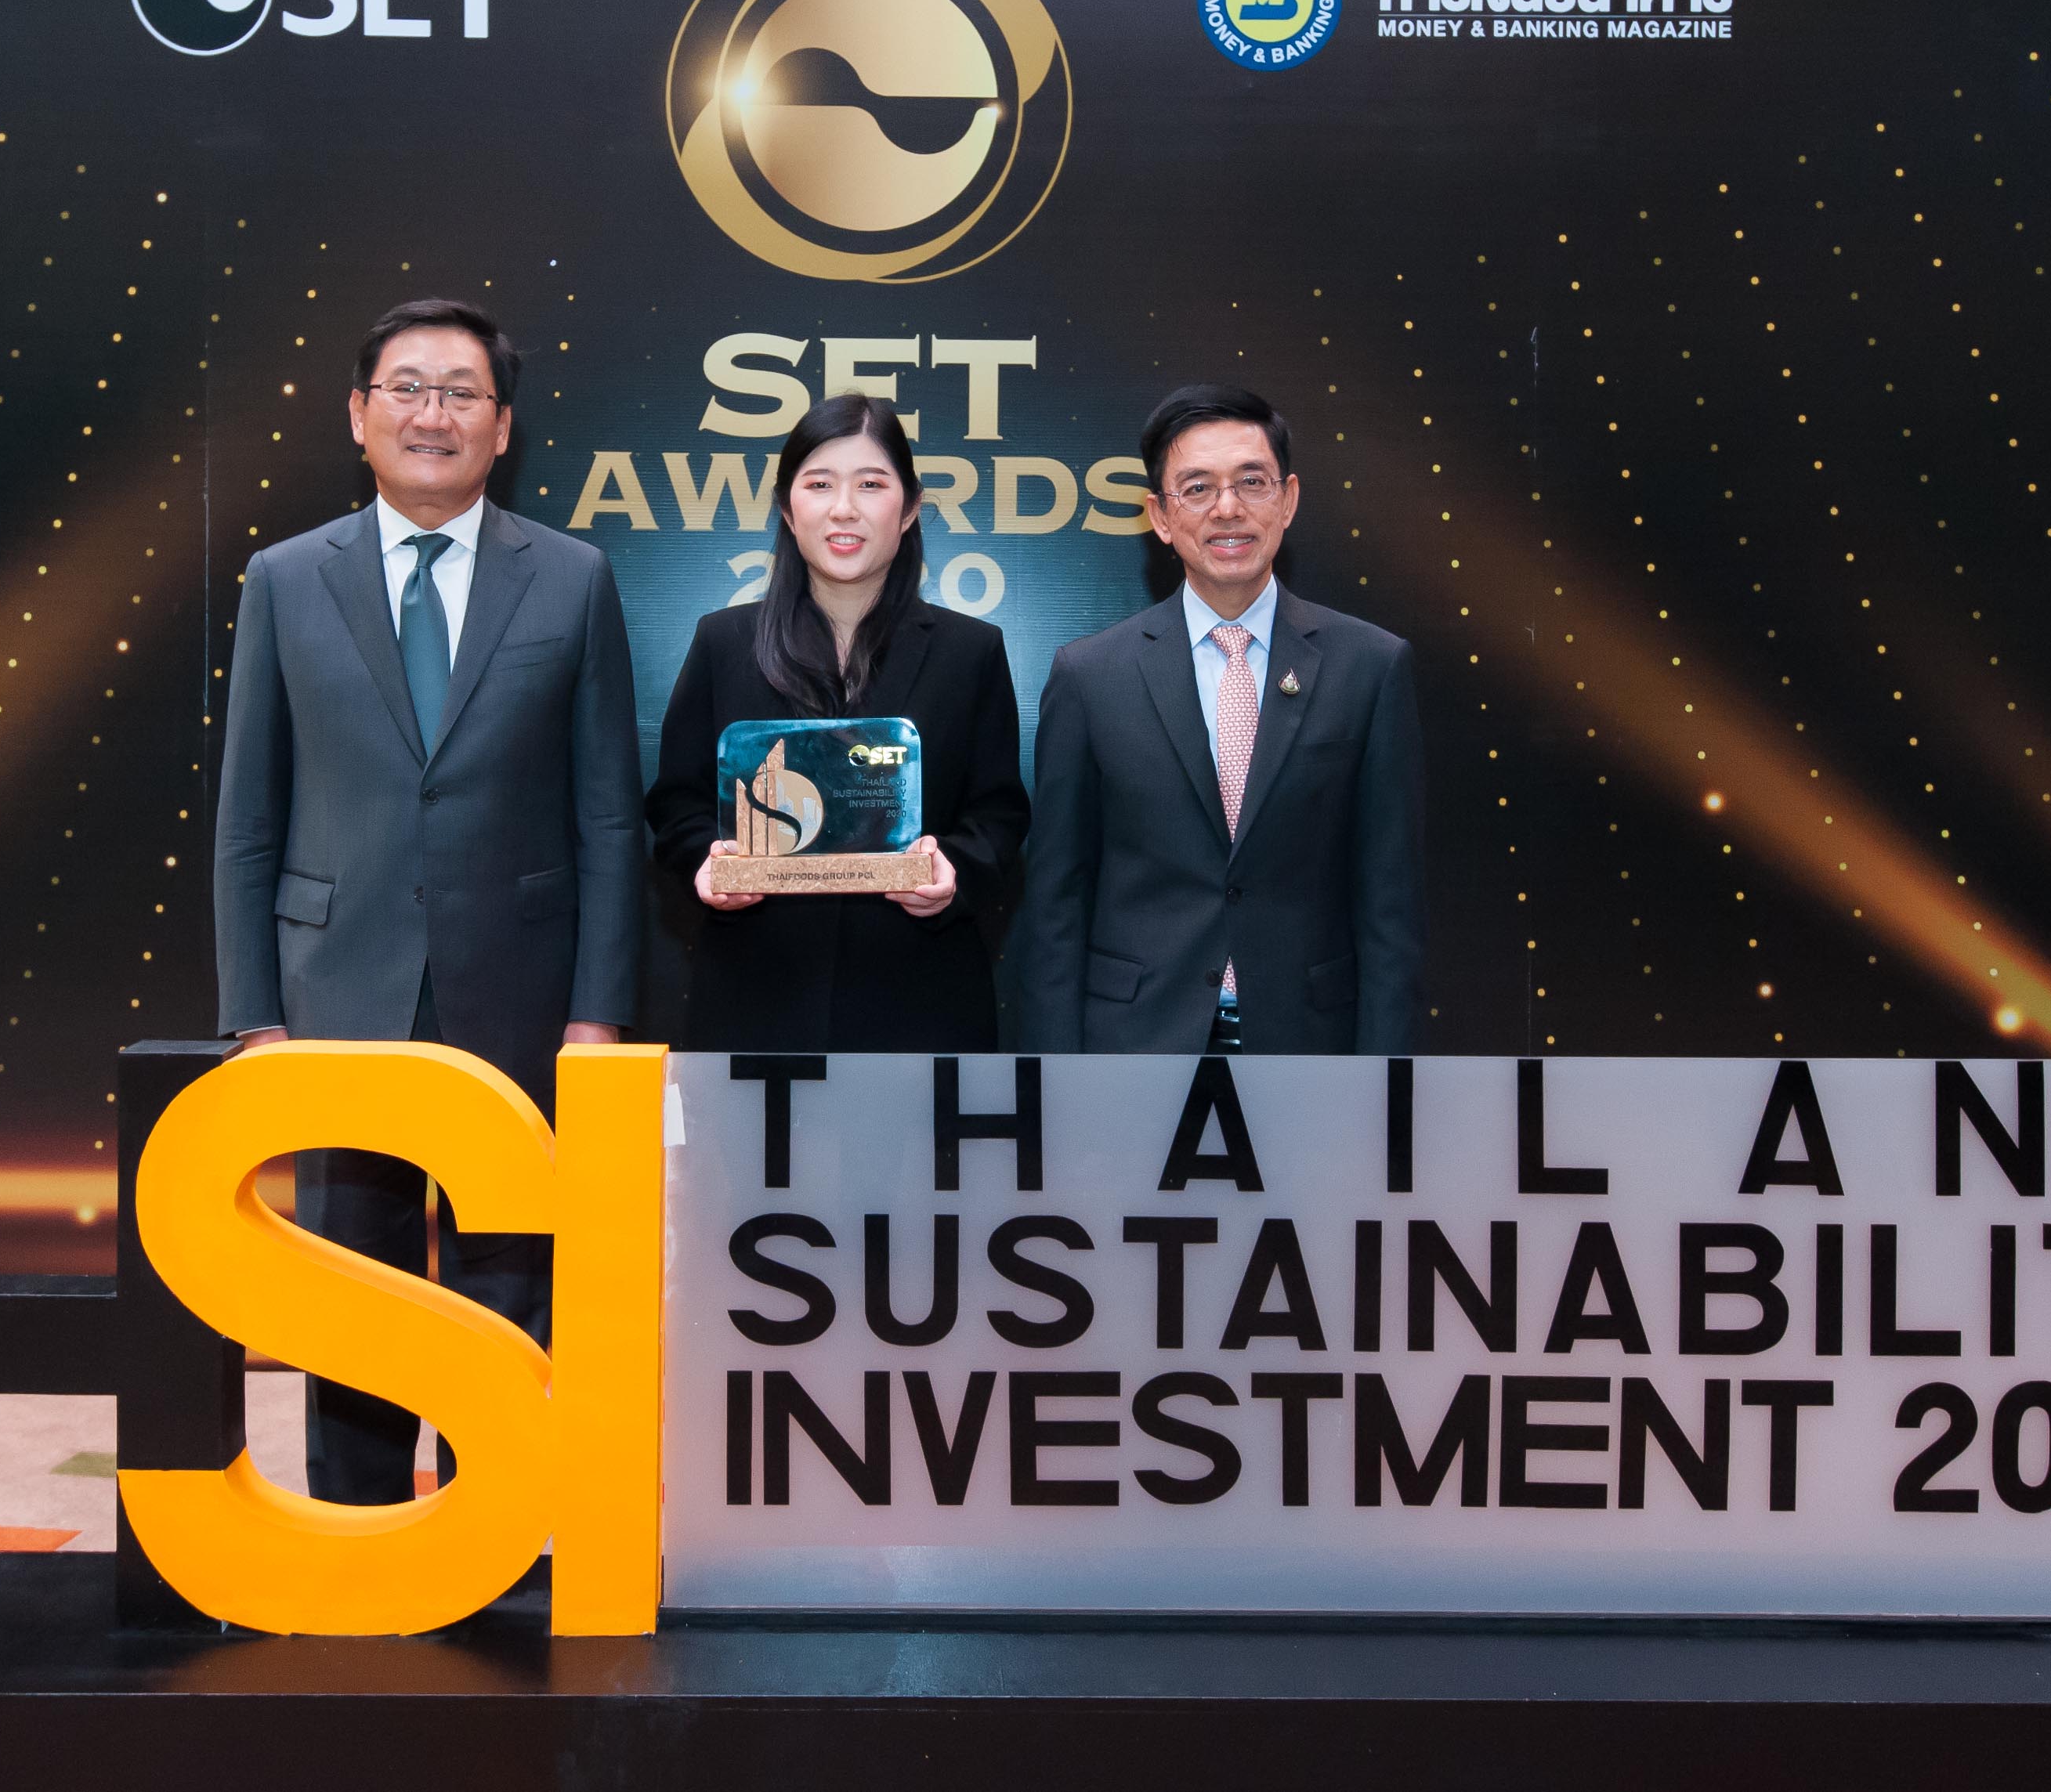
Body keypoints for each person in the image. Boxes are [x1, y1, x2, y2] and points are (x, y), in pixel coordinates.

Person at [214, 296, 647, 1507]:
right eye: (406, 388)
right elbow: (248, 816)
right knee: (351, 1289)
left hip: (519, 994)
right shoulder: (285, 578)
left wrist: (597, 1014)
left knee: (507, 1294)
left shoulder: (570, 578)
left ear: (502, 427)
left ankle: (493, 1527)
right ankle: (357, 1539)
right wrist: (254, 1015)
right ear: (358, 415)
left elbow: (607, 816)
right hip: (334, 996)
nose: (431, 413)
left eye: (461, 392)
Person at [1018, 381, 1423, 1056]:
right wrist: (1054, 1080)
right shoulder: (1089, 676)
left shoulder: (1370, 667)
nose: (1228, 508)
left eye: (1251, 482)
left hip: (1310, 1048)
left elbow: (1391, 903)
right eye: (1198, 488)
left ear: (1288, 500)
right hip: (1134, 1048)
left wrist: (1386, 1078)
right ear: (1160, 515)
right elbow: (1056, 902)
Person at [646, 392, 1029, 1051]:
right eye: (819, 484)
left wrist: (952, 873)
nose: (844, 508)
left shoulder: (971, 652)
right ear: (787, 509)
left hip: (922, 1005)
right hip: (754, 1002)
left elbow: (999, 815)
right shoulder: (723, 642)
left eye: (871, 484)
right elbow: (678, 804)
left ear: (909, 508)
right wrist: (707, 863)